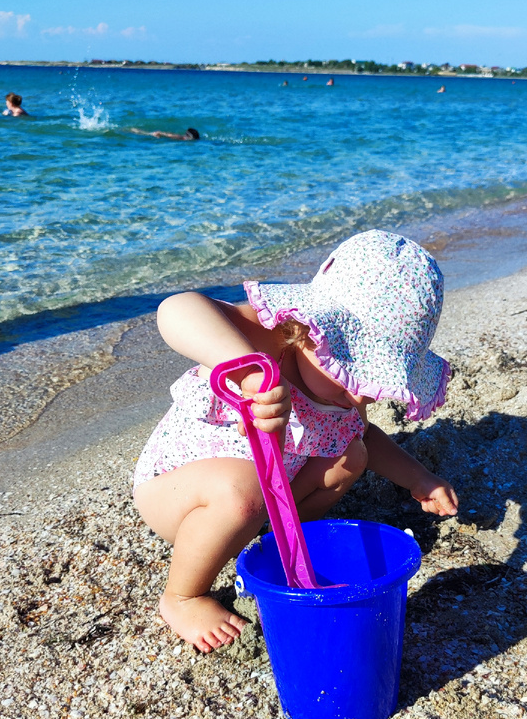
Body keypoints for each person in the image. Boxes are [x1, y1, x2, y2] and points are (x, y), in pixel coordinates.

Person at [132, 230, 459, 653]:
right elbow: (176, 309)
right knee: (241, 491)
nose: (360, 395)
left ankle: (281, 542)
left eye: (374, 380)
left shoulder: (347, 391)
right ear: (309, 328)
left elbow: (362, 434)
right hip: (179, 492)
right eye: (351, 366)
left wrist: (420, 479)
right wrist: (246, 369)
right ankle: (182, 596)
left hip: (267, 497)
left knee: (350, 454)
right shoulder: (263, 338)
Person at [128, 127, 200, 141]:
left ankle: (133, 130)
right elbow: (171, 135)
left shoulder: (183, 138)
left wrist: (161, 133)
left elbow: (171, 135)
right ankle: (133, 130)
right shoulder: (183, 138)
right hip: (160, 135)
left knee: (144, 133)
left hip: (161, 135)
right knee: (144, 133)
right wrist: (161, 133)